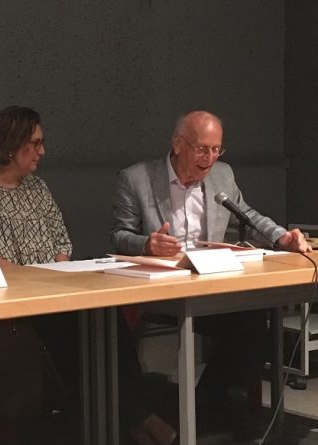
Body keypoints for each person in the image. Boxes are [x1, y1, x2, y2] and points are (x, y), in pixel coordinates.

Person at [0, 106, 176, 445]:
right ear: (11, 145)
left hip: (53, 293)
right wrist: (35, 280)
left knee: (105, 315)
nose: (42, 151)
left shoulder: (37, 188)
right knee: (74, 332)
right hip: (9, 305)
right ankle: (139, 418)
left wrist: (58, 273)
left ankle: (130, 418)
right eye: (35, 143)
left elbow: (61, 241)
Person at [111, 110, 311, 439]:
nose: (210, 158)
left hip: (212, 284)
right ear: (177, 144)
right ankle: (213, 403)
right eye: (202, 149)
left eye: (217, 149)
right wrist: (147, 244)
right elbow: (119, 235)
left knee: (254, 317)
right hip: (163, 290)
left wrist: (281, 238)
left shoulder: (222, 175)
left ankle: (213, 398)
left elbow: (247, 216)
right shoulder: (136, 178)